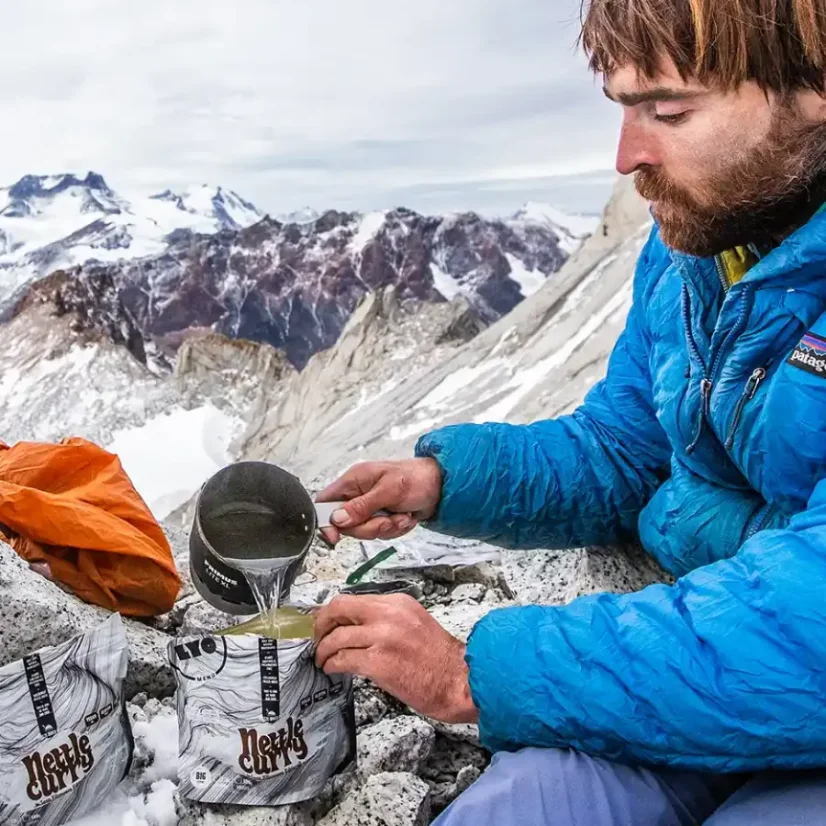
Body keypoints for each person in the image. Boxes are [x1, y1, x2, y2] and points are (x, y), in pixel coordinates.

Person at [313, 1, 826, 823]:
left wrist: (471, 673)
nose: (628, 155)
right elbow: (627, 447)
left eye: (668, 110)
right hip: (698, 662)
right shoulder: (704, 245)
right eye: (623, 106)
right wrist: (442, 481)